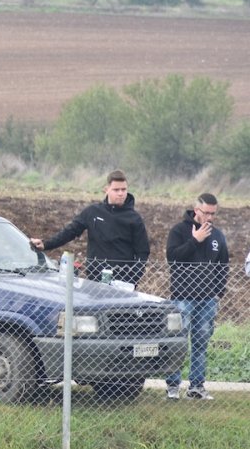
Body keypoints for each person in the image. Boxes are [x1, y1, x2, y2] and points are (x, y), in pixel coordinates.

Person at [29, 170, 150, 285]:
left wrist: (132, 279)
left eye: (123, 189)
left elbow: (143, 252)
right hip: (95, 279)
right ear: (106, 190)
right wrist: (46, 244)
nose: (120, 193)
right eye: (116, 189)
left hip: (122, 281)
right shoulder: (93, 212)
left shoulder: (134, 219)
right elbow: (70, 231)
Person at [164, 194, 229, 401]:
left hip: (207, 300)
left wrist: (218, 291)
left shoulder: (218, 236)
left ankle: (197, 387)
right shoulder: (179, 231)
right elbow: (173, 258)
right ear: (196, 209)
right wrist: (195, 240)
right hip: (183, 297)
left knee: (200, 343)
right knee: (178, 342)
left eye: (213, 213)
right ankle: (173, 386)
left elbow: (223, 265)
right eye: (206, 212)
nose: (209, 217)